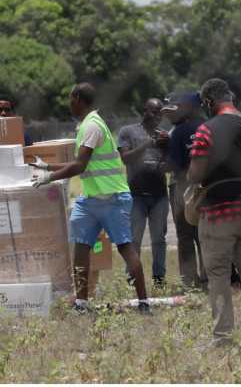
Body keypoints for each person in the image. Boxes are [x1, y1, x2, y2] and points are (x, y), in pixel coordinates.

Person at [30, 82, 149, 313]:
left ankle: (144, 302)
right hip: (91, 199)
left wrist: (49, 177)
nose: (68, 104)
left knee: (125, 247)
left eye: (70, 99)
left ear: (77, 98)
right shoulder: (86, 125)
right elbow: (81, 163)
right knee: (81, 247)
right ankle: (82, 304)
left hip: (113, 197)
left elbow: (79, 165)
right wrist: (47, 166)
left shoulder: (92, 126)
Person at [187, 78, 241, 345]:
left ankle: (222, 336)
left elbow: (195, 175)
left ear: (210, 102)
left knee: (219, 276)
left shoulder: (206, 131)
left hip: (217, 216)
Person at [117, 98, 170, 287]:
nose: (157, 116)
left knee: (158, 239)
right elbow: (125, 158)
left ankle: (159, 279)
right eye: (153, 111)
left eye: (160, 113)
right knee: (134, 239)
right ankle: (132, 278)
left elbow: (170, 163)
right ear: (144, 111)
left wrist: (168, 144)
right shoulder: (128, 132)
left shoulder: (164, 136)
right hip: (136, 195)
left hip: (159, 195)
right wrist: (147, 144)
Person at [162, 92, 207, 290]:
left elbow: (174, 164)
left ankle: (189, 280)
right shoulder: (209, 127)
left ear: (189, 108)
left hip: (182, 187)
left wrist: (160, 159)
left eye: (179, 107)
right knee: (204, 233)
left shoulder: (180, 131)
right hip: (206, 186)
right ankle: (209, 276)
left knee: (185, 234)